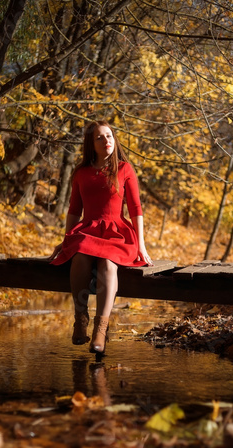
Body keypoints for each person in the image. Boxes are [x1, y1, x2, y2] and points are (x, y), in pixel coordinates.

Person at [50, 120, 153, 355]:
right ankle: (80, 319)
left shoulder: (124, 168)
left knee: (108, 264)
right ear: (91, 144)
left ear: (114, 140)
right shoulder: (81, 172)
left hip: (116, 232)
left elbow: (136, 209)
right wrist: (66, 239)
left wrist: (142, 246)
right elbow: (74, 210)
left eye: (109, 136)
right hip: (87, 229)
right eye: (99, 137)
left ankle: (101, 330)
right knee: (80, 256)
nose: (106, 141)